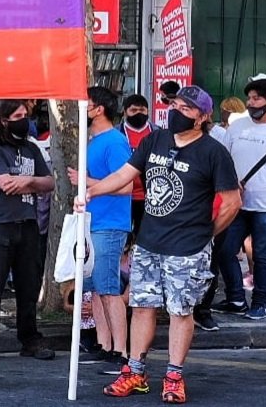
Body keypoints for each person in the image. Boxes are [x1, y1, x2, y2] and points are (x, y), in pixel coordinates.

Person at [78, 85, 241, 404]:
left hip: (188, 247)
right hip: (149, 242)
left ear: (202, 117)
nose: (175, 112)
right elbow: (125, 174)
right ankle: (135, 372)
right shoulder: (155, 140)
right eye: (174, 105)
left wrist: (206, 234)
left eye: (185, 108)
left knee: (181, 310)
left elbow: (232, 202)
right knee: (141, 307)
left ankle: (174, 376)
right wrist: (91, 192)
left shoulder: (213, 152)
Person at [0, 99, 56, 363]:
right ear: (4, 120)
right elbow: (5, 184)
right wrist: (32, 183)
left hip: (28, 223)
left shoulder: (31, 148)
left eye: (25, 115)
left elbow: (50, 182)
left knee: (29, 285)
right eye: (18, 116)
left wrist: (28, 180)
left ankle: (29, 338)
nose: (24, 120)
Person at [213, 78, 266, 321]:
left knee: (263, 256)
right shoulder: (237, 127)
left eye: (257, 98)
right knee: (224, 250)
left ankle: (261, 303)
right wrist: (229, 182)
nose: (251, 103)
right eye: (249, 98)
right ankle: (236, 298)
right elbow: (223, 159)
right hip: (236, 204)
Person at [67, 88, 131, 369]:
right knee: (96, 288)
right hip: (94, 222)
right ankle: (105, 345)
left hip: (109, 224)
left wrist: (86, 182)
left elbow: (126, 185)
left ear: (99, 109)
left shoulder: (114, 141)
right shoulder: (95, 140)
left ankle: (120, 350)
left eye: (87, 104)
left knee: (108, 288)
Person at [119, 94, 156, 235]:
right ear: (125, 112)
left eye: (142, 110)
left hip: (150, 197)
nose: (138, 114)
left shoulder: (157, 133)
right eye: (133, 110)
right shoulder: (117, 134)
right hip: (123, 196)